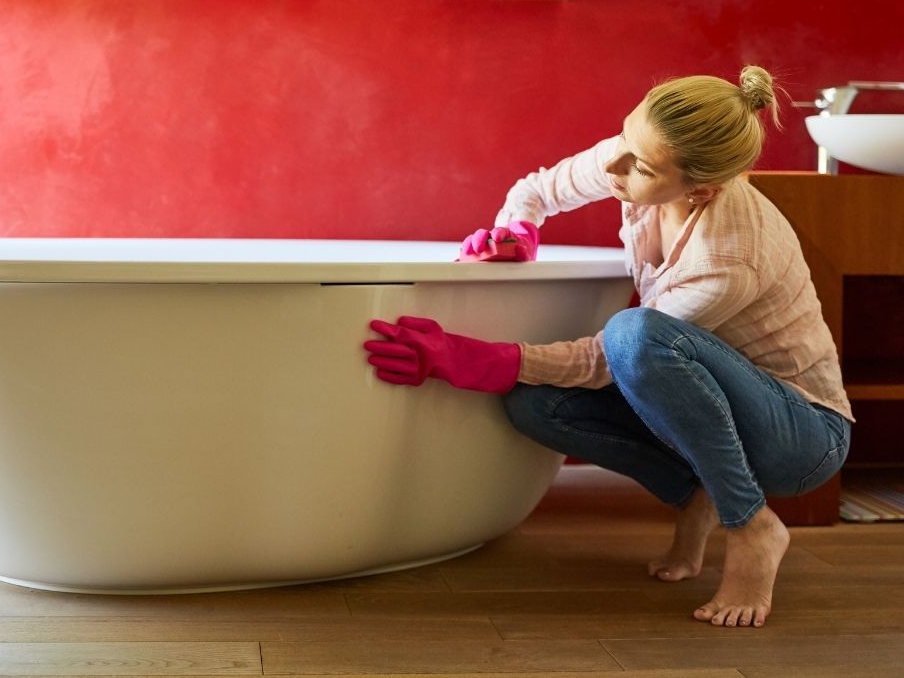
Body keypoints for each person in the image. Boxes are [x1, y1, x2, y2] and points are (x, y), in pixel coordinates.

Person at [364, 66, 852, 629]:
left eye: (638, 166)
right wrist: (518, 232)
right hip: (712, 405)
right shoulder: (636, 154)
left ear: (703, 189)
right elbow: (536, 189)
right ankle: (700, 494)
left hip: (798, 435)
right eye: (625, 139)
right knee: (534, 402)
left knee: (632, 333)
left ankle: (752, 524)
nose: (614, 166)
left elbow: (613, 357)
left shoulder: (728, 257)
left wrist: (474, 358)